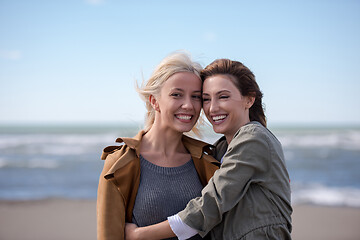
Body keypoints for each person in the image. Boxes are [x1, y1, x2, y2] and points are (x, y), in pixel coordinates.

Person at [125, 58, 293, 239]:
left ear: (249, 99)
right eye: (205, 99)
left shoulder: (254, 138)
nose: (212, 108)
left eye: (223, 96)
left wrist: (138, 235)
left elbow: (210, 205)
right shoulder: (219, 150)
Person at [96, 52, 220, 240]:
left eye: (196, 97)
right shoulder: (119, 164)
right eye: (176, 95)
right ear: (154, 101)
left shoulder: (207, 160)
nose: (188, 105)